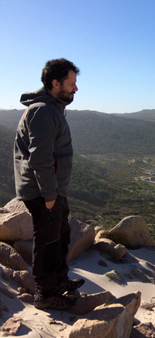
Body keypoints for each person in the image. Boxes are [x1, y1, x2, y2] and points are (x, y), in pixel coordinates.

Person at [14, 58, 84, 310]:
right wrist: (50, 194)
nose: (76, 89)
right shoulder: (43, 111)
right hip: (44, 191)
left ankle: (59, 280)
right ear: (55, 83)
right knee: (47, 240)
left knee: (61, 235)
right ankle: (45, 294)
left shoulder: (52, 107)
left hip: (52, 189)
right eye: (71, 83)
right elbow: (40, 158)